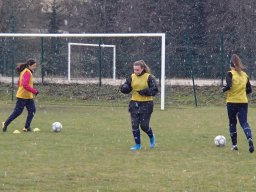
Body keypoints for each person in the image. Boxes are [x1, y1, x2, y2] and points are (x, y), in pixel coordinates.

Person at [120, 60, 158, 150]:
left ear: (142, 69)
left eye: (137, 70)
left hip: (147, 104)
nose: (135, 71)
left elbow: (155, 90)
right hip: (134, 103)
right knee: (134, 125)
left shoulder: (149, 77)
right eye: (134, 70)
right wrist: (124, 88)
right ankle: (137, 145)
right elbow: (127, 86)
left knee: (144, 126)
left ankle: (152, 137)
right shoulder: (131, 77)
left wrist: (145, 91)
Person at [222, 54, 254, 153]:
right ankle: (249, 139)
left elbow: (229, 85)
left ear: (231, 65)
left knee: (232, 123)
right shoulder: (245, 75)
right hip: (243, 102)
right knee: (244, 122)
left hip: (232, 102)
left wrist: (223, 89)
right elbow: (249, 90)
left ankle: (234, 145)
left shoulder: (230, 74)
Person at [2, 59, 39, 132]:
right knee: (17, 112)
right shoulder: (27, 72)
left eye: (35, 66)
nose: (35, 67)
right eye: (34, 66)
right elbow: (25, 85)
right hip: (22, 97)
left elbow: (19, 82)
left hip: (28, 97)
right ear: (29, 65)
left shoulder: (26, 71)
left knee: (32, 110)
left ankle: (27, 127)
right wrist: (34, 91)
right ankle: (5, 124)